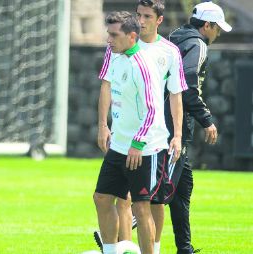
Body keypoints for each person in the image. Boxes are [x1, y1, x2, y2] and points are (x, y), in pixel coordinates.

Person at [95, 1, 187, 253]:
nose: (109, 39)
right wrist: (103, 125)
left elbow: (153, 109)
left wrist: (138, 143)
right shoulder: (114, 56)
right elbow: (106, 86)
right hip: (120, 145)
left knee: (142, 206)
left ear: (130, 36)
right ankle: (111, 251)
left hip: (145, 148)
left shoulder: (143, 65)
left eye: (114, 35)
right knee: (102, 198)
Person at [165, 1, 231, 253]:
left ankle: (185, 248)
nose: (218, 34)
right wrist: (206, 119)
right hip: (175, 126)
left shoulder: (175, 38)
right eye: (217, 29)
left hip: (166, 120)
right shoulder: (198, 44)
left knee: (182, 188)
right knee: (163, 189)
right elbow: (187, 87)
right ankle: (120, 230)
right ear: (207, 25)